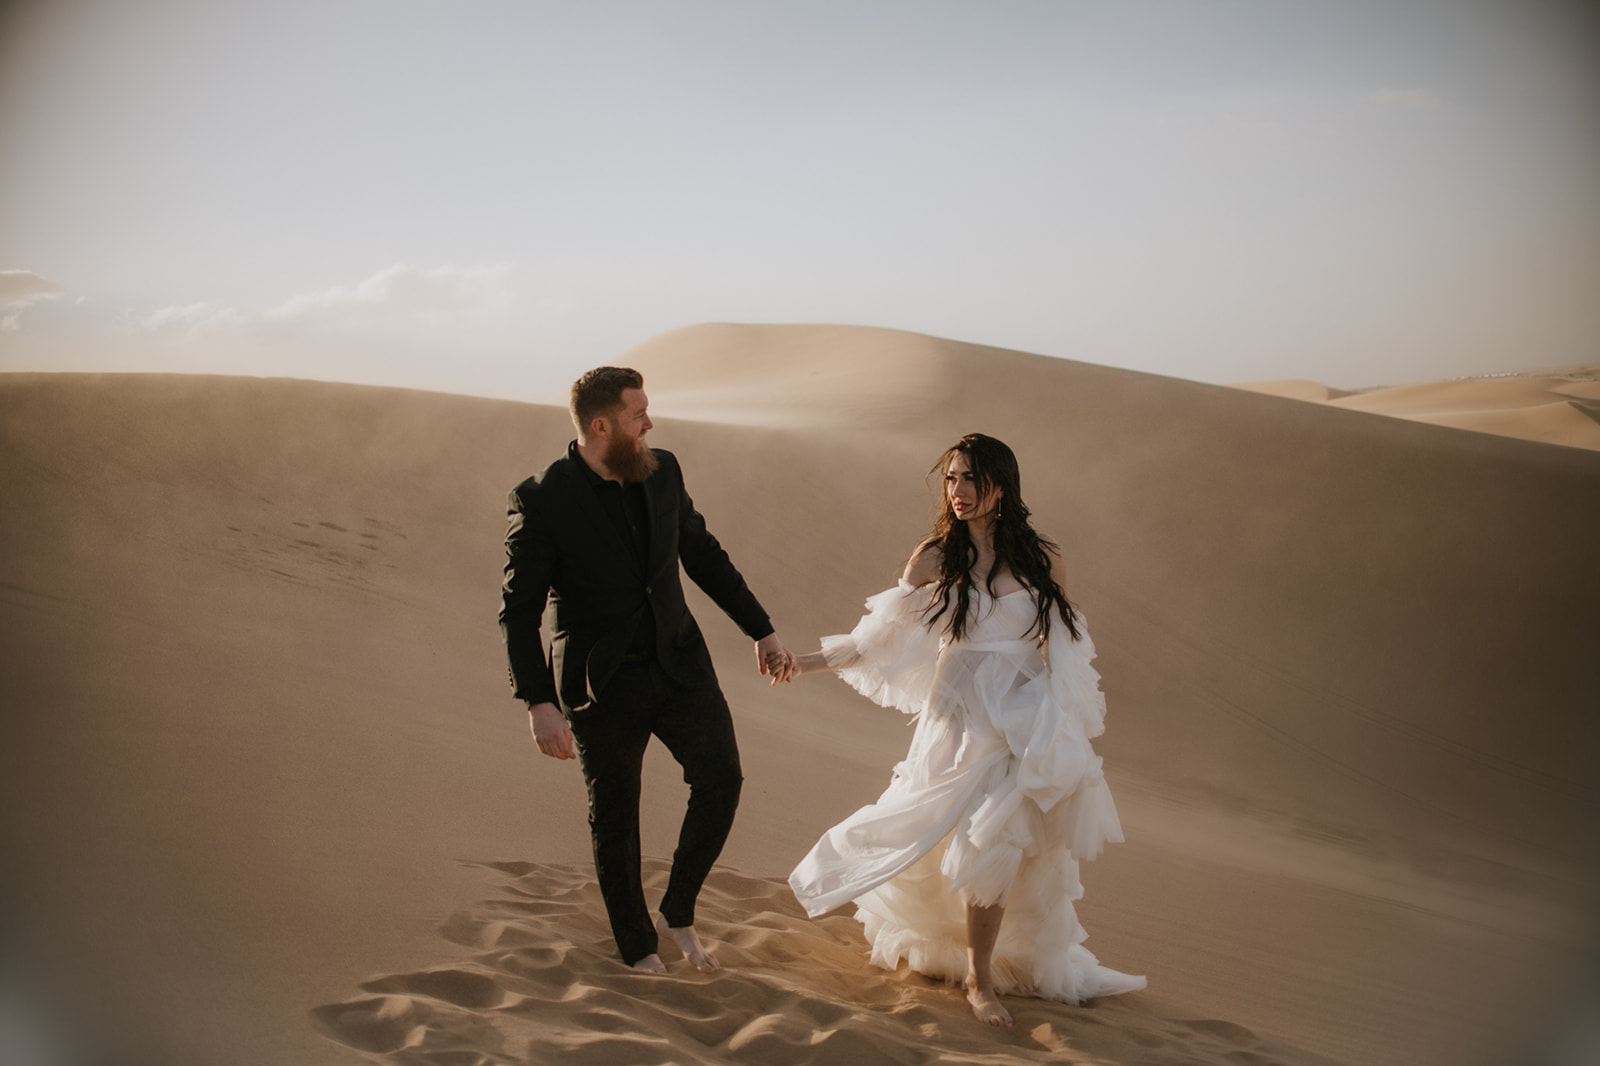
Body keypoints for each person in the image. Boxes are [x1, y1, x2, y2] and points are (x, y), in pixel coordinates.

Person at [783, 433, 1145, 1026]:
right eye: (951, 479)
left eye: (972, 478)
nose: (960, 492)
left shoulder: (1042, 556)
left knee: (995, 840)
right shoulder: (935, 557)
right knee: (921, 830)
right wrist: (805, 661)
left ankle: (981, 980)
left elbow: (1064, 646)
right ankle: (949, 950)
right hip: (955, 722)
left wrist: (1062, 723)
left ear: (1002, 484)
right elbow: (879, 640)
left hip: (1021, 721)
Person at [499, 366, 793, 975]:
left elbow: (703, 555)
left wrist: (760, 629)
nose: (650, 424)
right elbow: (519, 610)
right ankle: (638, 949)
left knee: (722, 780)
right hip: (601, 685)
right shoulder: (543, 498)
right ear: (601, 426)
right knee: (615, 818)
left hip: (680, 662)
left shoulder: (663, 471)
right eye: (639, 416)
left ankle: (676, 911)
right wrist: (537, 700)